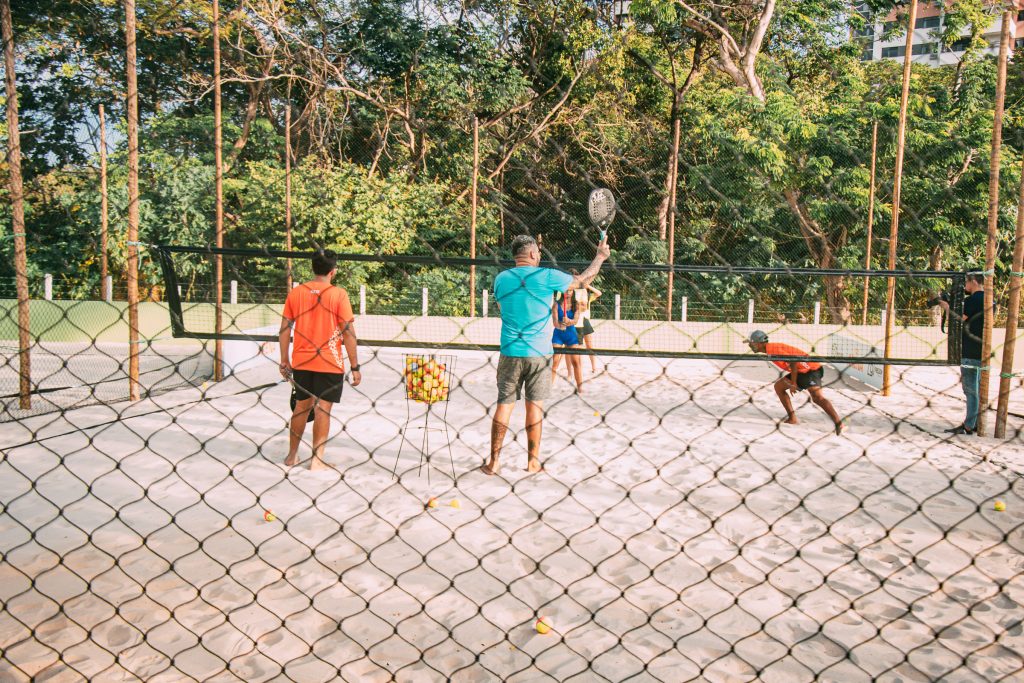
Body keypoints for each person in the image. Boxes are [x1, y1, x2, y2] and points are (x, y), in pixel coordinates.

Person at [483, 234, 610, 475]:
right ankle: (532, 462)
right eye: (538, 253)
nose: (540, 256)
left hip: (510, 351)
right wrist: (600, 257)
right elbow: (583, 281)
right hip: (539, 353)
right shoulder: (546, 275)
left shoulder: (501, 279)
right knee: (534, 408)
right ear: (532, 254)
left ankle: (494, 462)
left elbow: (503, 309)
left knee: (504, 405)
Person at [278, 249, 361, 471]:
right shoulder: (338, 295)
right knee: (323, 409)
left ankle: (291, 456)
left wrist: (284, 360)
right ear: (333, 271)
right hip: (329, 362)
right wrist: (355, 366)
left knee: (301, 408)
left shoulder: (296, 293)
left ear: (312, 268)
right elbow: (348, 333)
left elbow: (284, 330)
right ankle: (317, 460)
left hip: (302, 361)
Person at [745, 330, 844, 435]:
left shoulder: (774, 349)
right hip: (800, 371)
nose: (750, 346)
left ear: (759, 343)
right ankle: (792, 418)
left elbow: (793, 362)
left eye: (752, 343)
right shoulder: (770, 349)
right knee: (779, 387)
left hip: (811, 369)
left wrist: (793, 383)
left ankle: (839, 424)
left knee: (817, 398)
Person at [938, 273, 986, 435]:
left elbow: (960, 318)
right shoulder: (988, 299)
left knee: (970, 389)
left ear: (973, 281)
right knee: (977, 388)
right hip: (982, 350)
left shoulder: (974, 300)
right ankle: (975, 422)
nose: (965, 285)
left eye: (966, 281)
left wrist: (946, 307)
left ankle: (969, 425)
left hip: (970, 350)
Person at [569, 269, 602, 372]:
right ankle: (575, 369)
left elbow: (598, 293)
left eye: (577, 277)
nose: (576, 279)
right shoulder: (570, 292)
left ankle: (594, 367)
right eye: (574, 277)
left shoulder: (584, 291)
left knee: (589, 345)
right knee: (575, 347)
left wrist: (587, 285)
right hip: (574, 321)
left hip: (585, 320)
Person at [550, 294, 583, 393]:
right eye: (566, 290)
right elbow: (555, 322)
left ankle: (579, 387)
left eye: (570, 290)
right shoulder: (556, 305)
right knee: (555, 361)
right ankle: (549, 386)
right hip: (558, 334)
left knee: (576, 362)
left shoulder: (576, 304)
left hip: (571, 335)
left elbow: (576, 320)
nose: (568, 292)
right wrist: (560, 325)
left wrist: (569, 321)